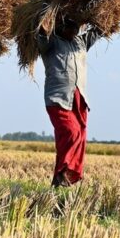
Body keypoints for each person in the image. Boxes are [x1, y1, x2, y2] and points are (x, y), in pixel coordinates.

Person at [37, 18, 101, 187]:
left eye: (77, 26)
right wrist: (44, 27)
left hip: (79, 98)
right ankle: (63, 173)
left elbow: (100, 29)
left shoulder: (81, 41)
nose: (74, 29)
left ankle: (61, 179)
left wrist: (105, 16)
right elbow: (41, 37)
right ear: (60, 25)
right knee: (71, 132)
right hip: (58, 98)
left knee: (78, 137)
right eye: (70, 25)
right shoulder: (51, 43)